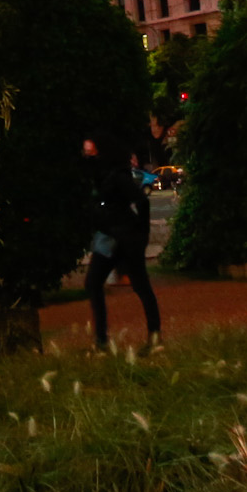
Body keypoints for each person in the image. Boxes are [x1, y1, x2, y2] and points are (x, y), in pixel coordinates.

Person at [80, 136, 161, 352]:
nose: (88, 153)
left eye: (93, 150)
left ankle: (153, 336)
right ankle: (101, 340)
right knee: (94, 282)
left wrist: (141, 233)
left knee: (140, 285)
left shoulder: (116, 176)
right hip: (109, 236)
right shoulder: (102, 174)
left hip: (123, 236)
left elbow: (141, 201)